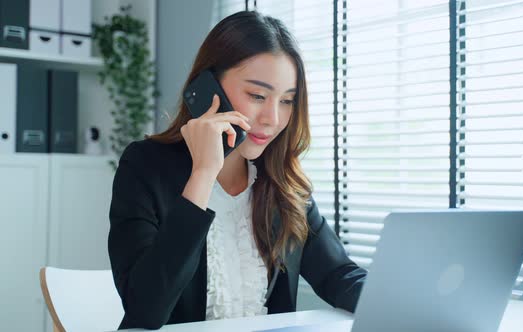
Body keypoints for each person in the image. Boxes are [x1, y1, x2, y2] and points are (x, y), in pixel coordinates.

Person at [108, 10, 367, 330]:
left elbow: (339, 274)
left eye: (287, 100)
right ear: (207, 87)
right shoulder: (145, 166)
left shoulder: (282, 182)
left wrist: (404, 303)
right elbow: (146, 310)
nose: (273, 118)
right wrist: (203, 173)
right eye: (257, 95)